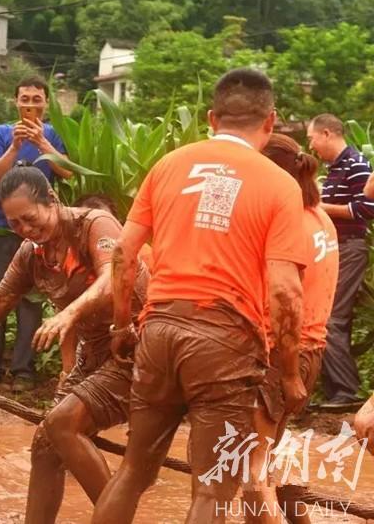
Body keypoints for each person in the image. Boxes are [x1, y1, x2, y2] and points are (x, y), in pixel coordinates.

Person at [94, 69, 308, 524]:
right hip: (224, 344)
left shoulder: (169, 165)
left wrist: (120, 325)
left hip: (158, 331)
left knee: (132, 471)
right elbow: (286, 292)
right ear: (270, 122)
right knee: (211, 490)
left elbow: (123, 254)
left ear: (212, 118)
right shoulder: (280, 185)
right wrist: (289, 372)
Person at [0, 166, 149, 524]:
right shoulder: (30, 253)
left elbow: (112, 278)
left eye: (29, 218)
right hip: (96, 351)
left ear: (51, 200)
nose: (24, 229)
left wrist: (67, 315)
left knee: (63, 424)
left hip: (135, 343)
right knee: (46, 445)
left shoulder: (94, 224)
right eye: (14, 224)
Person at [242, 134, 339, 523]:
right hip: (312, 351)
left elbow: (282, 299)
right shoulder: (321, 217)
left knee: (252, 470)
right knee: (268, 456)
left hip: (279, 352)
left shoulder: (284, 223)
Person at [0, 76, 71, 390]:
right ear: (15, 102)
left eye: (37, 99)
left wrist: (44, 144)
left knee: (30, 302)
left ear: (46, 103)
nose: (30, 105)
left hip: (40, 234)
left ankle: (23, 370)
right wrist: (15, 147)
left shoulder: (55, 135)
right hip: (0, 229)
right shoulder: (2, 133)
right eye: (25, 99)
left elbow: (68, 172)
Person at [307, 113, 374, 407]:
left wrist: (319, 208)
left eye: (311, 138)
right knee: (329, 318)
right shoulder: (334, 168)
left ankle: (346, 391)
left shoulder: (356, 164)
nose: (311, 146)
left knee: (331, 318)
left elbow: (367, 209)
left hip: (349, 247)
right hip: (334, 248)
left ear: (326, 133)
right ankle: (336, 392)